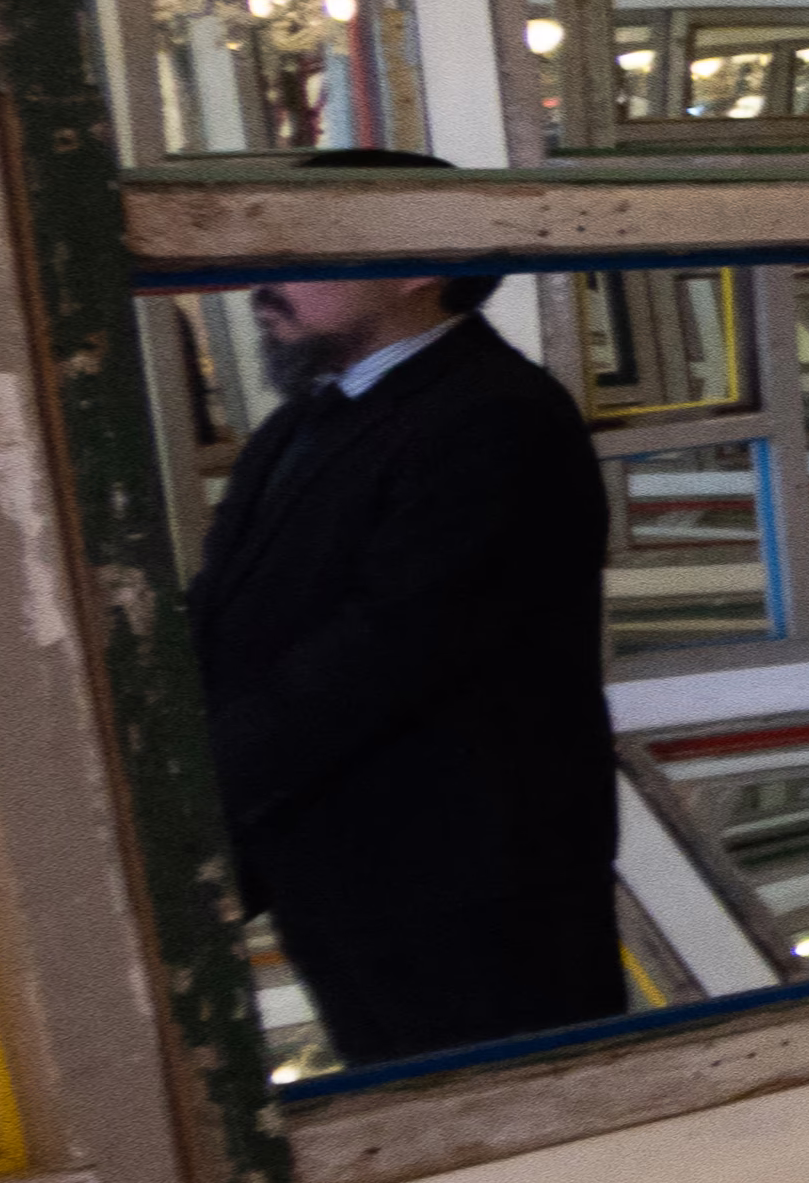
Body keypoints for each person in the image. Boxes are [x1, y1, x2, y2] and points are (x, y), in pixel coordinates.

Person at [180, 174, 623, 1066]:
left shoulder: (496, 418)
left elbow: (387, 650)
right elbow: (229, 616)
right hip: (342, 875)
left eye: (297, 256)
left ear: (420, 265)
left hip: (469, 896)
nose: (262, 284)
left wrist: (192, 791)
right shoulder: (304, 421)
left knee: (523, 1147)